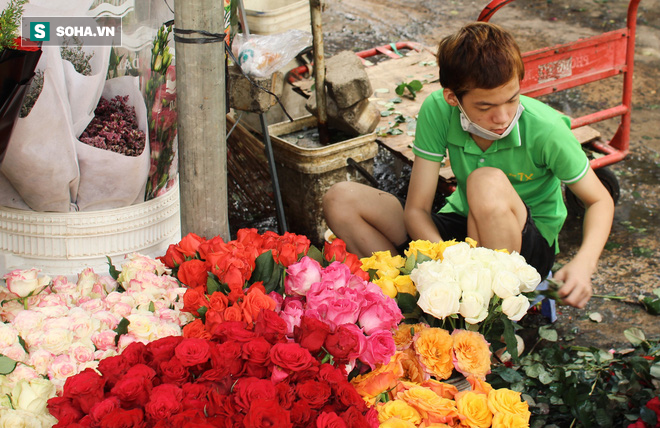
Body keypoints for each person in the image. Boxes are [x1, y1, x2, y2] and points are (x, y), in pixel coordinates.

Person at [322, 22, 614, 309]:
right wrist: (445, 261)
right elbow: (417, 210)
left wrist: (584, 264)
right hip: (463, 227)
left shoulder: (546, 129)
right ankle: (410, 302)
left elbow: (600, 199)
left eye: (511, 99)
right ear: (453, 98)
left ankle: (499, 318)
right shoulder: (438, 109)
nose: (502, 117)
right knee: (340, 199)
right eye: (485, 107)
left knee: (484, 182)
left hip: (524, 247)